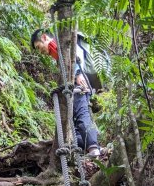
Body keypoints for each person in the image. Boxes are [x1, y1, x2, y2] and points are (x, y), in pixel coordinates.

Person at [30, 29, 101, 158]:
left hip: (79, 82)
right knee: (73, 121)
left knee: (81, 113)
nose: (41, 52)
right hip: (76, 83)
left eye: (39, 47)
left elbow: (75, 56)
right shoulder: (56, 50)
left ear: (45, 37)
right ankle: (87, 146)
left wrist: (78, 74)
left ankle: (93, 148)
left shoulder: (60, 43)